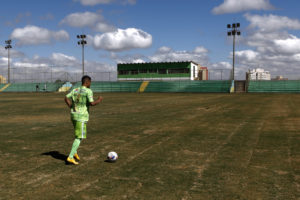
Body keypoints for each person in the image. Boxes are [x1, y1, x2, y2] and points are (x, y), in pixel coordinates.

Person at [64, 75, 103, 165]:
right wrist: (99, 100)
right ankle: (70, 157)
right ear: (87, 82)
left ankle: (74, 152)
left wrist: (70, 106)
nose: (90, 84)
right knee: (79, 137)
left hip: (73, 115)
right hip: (81, 117)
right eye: (90, 82)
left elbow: (66, 97)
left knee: (77, 135)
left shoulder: (75, 90)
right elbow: (91, 103)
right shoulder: (88, 91)